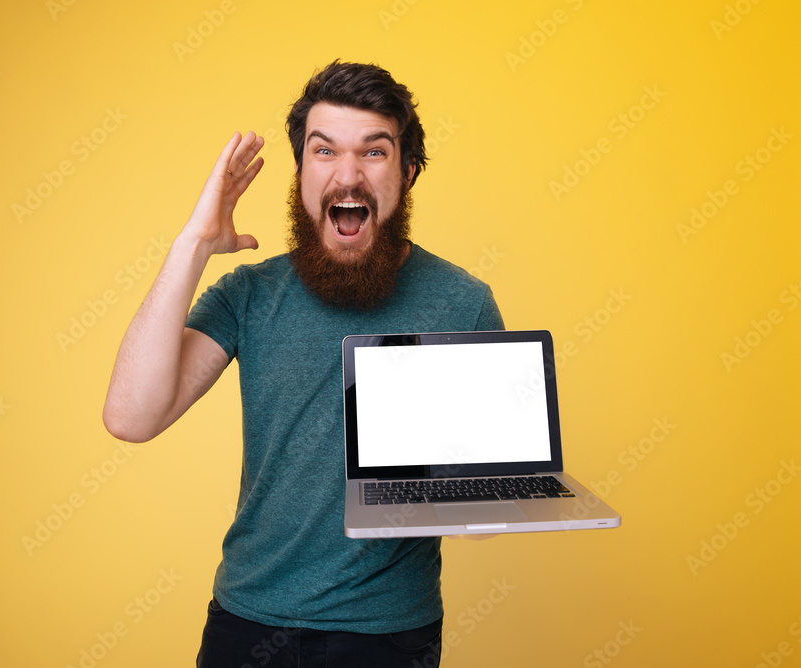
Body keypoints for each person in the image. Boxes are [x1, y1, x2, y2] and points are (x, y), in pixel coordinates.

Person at [102, 61, 503, 667]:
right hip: (247, 624)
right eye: (324, 151)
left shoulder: (463, 302)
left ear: (407, 173)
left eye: (374, 152)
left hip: (391, 635)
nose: (348, 174)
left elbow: (494, 472)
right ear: (300, 173)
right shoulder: (249, 295)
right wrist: (193, 243)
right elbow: (131, 416)